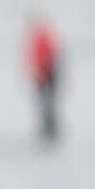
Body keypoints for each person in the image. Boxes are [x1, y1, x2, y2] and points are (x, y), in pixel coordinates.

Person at [27, 17, 62, 145]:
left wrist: (42, 71)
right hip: (45, 73)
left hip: (46, 73)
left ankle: (50, 128)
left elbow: (47, 57)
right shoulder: (42, 37)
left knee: (47, 102)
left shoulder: (41, 38)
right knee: (46, 102)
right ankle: (48, 127)